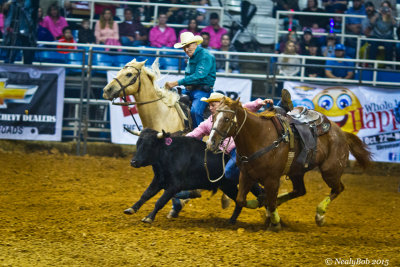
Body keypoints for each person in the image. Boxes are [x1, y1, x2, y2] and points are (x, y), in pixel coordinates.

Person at [167, 90, 294, 219]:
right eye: (209, 105)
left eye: (213, 104)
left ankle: (281, 106)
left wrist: (260, 102)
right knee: (224, 174)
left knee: (229, 173)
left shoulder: (232, 112)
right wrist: (177, 142)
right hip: (222, 155)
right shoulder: (208, 122)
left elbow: (248, 107)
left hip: (236, 150)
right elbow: (195, 134)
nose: (210, 108)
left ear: (221, 104)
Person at [164, 32, 216, 127]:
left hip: (202, 91)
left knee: (195, 112)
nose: (186, 49)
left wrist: (176, 83)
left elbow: (199, 76)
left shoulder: (205, 56)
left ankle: (198, 137)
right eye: (184, 47)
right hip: (190, 90)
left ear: (195, 43)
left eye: (188, 46)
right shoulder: (193, 57)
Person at [2, 0, 39, 64]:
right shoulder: (12, 3)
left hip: (28, 32)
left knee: (28, 57)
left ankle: (28, 71)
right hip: (13, 33)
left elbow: (33, 14)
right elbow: (6, 14)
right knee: (10, 56)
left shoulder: (30, 3)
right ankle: (6, 71)